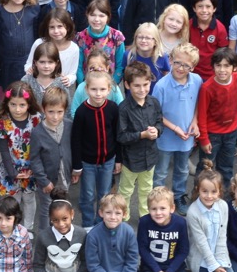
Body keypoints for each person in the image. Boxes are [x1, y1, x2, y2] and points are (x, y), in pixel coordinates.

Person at [152, 43, 203, 212]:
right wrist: (174, 128)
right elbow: (156, 114)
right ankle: (158, 200)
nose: (181, 68)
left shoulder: (197, 81)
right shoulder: (161, 86)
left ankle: (178, 196)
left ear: (193, 67)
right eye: (177, 63)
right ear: (170, 60)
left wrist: (195, 122)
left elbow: (197, 104)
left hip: (186, 136)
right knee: (161, 172)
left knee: (182, 169)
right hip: (166, 137)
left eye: (186, 65)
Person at [71, 70, 121, 227]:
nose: (98, 94)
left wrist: (118, 159)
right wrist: (77, 165)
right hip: (88, 162)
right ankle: (87, 223)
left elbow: (117, 134)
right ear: (86, 89)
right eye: (93, 89)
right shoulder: (81, 112)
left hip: (108, 160)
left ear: (109, 89)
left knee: (104, 193)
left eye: (102, 89)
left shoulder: (113, 108)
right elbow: (75, 140)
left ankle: (101, 223)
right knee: (88, 194)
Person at [134, 186, 197, 272]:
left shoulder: (180, 223)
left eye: (163, 208)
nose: (158, 213)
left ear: (172, 208)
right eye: (154, 209)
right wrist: (158, 271)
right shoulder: (144, 222)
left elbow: (183, 251)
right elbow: (143, 249)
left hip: (173, 267)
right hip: (152, 267)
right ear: (148, 209)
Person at [0, 80, 43, 234]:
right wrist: (12, 172)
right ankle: (13, 228)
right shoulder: (1, 120)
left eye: (22, 105)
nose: (17, 109)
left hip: (31, 168)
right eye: (13, 104)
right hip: (11, 168)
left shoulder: (37, 119)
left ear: (29, 104)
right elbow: (3, 149)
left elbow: (41, 146)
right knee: (13, 200)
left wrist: (34, 169)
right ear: (7, 103)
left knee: (28, 198)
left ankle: (28, 228)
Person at [116, 62, 162, 219]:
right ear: (127, 85)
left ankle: (145, 216)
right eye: (137, 86)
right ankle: (123, 217)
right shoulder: (123, 108)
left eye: (146, 84)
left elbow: (159, 121)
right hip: (131, 159)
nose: (142, 90)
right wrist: (142, 135)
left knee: (147, 189)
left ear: (150, 82)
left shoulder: (154, 102)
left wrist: (158, 130)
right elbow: (121, 136)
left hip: (150, 157)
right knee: (126, 190)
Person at [185, 166, 237, 272]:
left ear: (219, 191)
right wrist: (214, 267)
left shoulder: (223, 206)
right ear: (198, 190)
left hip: (218, 254)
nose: (209, 196)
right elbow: (201, 244)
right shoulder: (193, 212)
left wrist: (221, 262)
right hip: (203, 259)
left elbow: (222, 236)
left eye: (213, 191)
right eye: (205, 191)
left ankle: (222, 271)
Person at [196, 47, 237, 185]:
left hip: (231, 132)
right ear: (213, 66)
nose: (222, 70)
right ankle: (199, 193)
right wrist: (204, 139)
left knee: (226, 166)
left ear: (234, 67)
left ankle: (224, 195)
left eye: (227, 65)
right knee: (206, 166)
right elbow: (201, 115)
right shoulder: (207, 88)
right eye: (218, 65)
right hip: (212, 134)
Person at [85, 193, 140, 272]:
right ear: (101, 213)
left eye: (117, 213)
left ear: (124, 214)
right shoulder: (93, 236)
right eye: (108, 212)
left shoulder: (129, 232)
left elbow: (132, 261)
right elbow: (93, 266)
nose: (113, 217)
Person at [28, 87, 73, 236]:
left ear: (65, 110)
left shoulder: (69, 126)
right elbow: (34, 159)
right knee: (47, 208)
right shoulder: (37, 132)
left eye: (59, 112)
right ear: (43, 109)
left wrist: (75, 169)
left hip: (64, 176)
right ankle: (43, 236)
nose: (55, 116)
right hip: (47, 181)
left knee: (64, 206)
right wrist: (43, 180)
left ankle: (62, 234)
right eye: (50, 112)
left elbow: (74, 148)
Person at [0, 0, 39, 90]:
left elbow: (38, 35)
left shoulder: (33, 9)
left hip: (28, 61)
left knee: (28, 92)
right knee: (9, 92)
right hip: (6, 63)